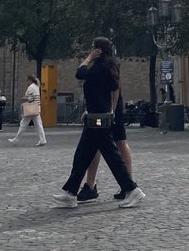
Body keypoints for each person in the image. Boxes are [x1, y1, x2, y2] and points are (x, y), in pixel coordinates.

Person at [52, 37, 143, 209]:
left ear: (98, 50)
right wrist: (109, 110)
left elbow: (80, 73)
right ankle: (70, 192)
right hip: (96, 116)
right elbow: (109, 91)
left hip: (99, 119)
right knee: (82, 156)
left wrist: (88, 58)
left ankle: (132, 189)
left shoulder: (99, 67)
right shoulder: (108, 67)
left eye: (93, 48)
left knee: (111, 155)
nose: (90, 50)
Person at [76, 90, 133, 203]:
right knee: (97, 141)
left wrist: (113, 109)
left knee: (119, 141)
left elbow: (115, 84)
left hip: (108, 106)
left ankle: (129, 185)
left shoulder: (107, 72)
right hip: (101, 106)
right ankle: (90, 184)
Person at [8, 75, 46, 146]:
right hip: (36, 107)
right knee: (38, 125)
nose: (26, 82)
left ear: (29, 80)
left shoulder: (31, 87)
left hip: (30, 108)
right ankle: (42, 139)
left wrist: (24, 99)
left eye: (27, 81)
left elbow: (30, 98)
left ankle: (16, 139)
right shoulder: (36, 86)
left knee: (23, 124)